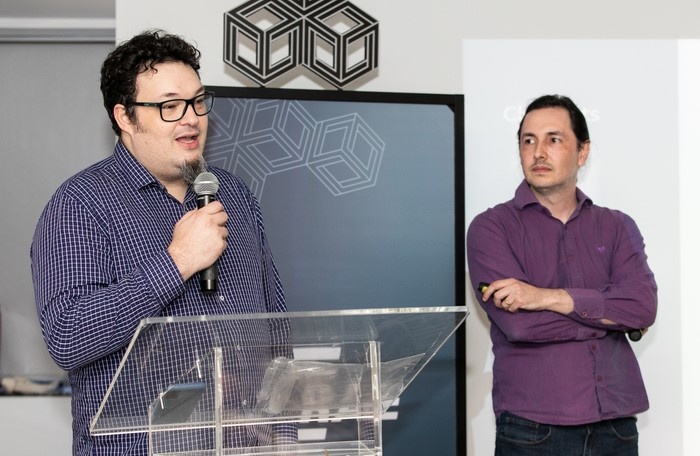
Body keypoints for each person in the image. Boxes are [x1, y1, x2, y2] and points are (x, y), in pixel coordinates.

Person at [30, 30, 296, 455]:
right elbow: (68, 335)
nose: (191, 118)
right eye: (169, 106)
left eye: (197, 101)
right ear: (125, 117)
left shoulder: (234, 194)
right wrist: (177, 262)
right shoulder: (80, 204)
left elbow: (275, 327)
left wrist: (284, 435)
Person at [466, 94, 657, 455]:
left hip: (615, 426)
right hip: (532, 430)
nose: (538, 152)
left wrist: (546, 297)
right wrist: (612, 321)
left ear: (582, 152)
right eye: (528, 141)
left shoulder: (617, 226)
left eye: (553, 139)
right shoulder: (491, 228)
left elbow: (643, 308)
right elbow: (520, 325)